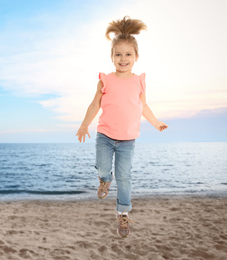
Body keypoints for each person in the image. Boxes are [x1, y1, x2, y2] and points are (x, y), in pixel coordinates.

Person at [75, 16, 168, 238]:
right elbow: (94, 104)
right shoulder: (105, 80)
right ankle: (104, 179)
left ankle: (123, 213)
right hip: (105, 136)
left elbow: (143, 106)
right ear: (112, 57)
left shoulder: (139, 81)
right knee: (103, 167)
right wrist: (84, 124)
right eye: (118, 54)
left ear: (136, 57)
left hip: (127, 141)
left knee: (125, 177)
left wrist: (156, 123)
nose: (123, 58)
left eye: (128, 54)